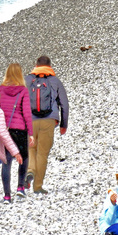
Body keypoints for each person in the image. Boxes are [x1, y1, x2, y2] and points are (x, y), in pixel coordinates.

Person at [27, 56, 68, 193]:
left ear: (36, 65)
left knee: (31, 149)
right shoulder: (55, 81)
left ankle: (30, 169)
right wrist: (64, 124)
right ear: (50, 66)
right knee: (43, 154)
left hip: (30, 120)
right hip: (49, 120)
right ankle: (37, 187)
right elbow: (64, 104)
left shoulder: (27, 80)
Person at [0, 63, 34, 199]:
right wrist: (30, 133)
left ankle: (7, 195)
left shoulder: (0, 90)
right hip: (20, 130)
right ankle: (20, 187)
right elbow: (26, 114)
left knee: (6, 162)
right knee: (23, 158)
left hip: (5, 130)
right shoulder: (23, 91)